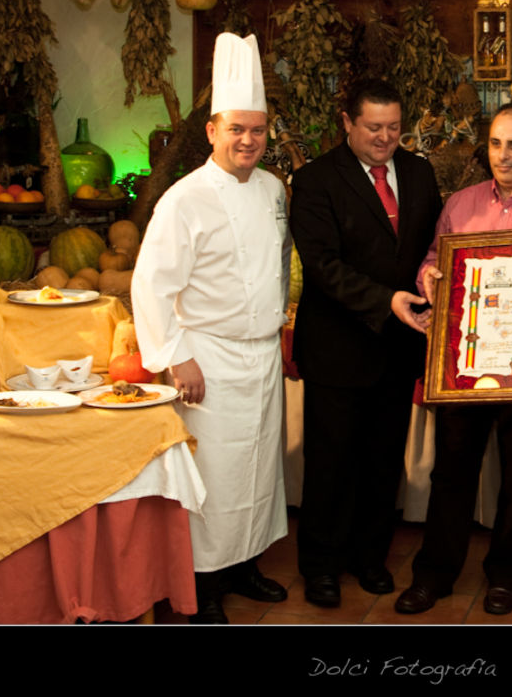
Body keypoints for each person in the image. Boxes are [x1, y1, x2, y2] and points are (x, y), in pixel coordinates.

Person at [394, 102, 512, 616]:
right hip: (466, 361)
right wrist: (428, 278)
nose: (503, 155)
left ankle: (506, 573)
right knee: (451, 472)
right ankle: (434, 574)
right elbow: (435, 261)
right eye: (496, 143)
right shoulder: (461, 204)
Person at [130, 33, 292, 625]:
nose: (248, 141)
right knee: (211, 482)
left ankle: (243, 564)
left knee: (257, 469)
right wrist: (177, 357)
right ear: (212, 131)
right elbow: (150, 285)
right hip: (210, 359)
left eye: (257, 129)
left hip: (261, 355)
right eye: (236, 130)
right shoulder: (183, 199)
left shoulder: (274, 189)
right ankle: (196, 590)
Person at [288, 78, 444, 608]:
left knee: (383, 459)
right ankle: (321, 565)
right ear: (347, 123)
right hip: (338, 346)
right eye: (374, 127)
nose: (385, 138)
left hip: (400, 347)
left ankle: (369, 556)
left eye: (394, 128)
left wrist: (432, 275)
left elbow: (431, 249)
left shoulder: (421, 173)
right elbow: (324, 267)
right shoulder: (314, 181)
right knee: (332, 462)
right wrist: (387, 301)